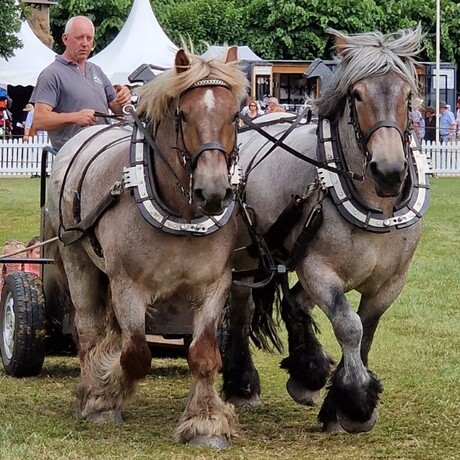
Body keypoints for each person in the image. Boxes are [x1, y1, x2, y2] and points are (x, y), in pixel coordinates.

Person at [30, 15, 131, 151]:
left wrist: (124, 99)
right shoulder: (51, 74)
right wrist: (74, 117)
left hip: (105, 147)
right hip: (74, 155)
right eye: (80, 37)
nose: (85, 43)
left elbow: (119, 110)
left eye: (89, 38)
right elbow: (39, 120)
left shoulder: (96, 70)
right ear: (65, 39)